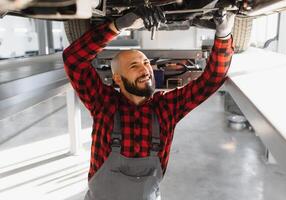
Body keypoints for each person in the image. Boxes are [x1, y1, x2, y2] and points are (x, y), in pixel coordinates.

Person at [63, 5, 235, 200]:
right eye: (135, 65)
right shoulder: (104, 103)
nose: (146, 70)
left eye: (146, 63)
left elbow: (211, 80)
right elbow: (73, 60)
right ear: (117, 78)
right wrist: (118, 25)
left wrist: (223, 35)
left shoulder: (167, 108)